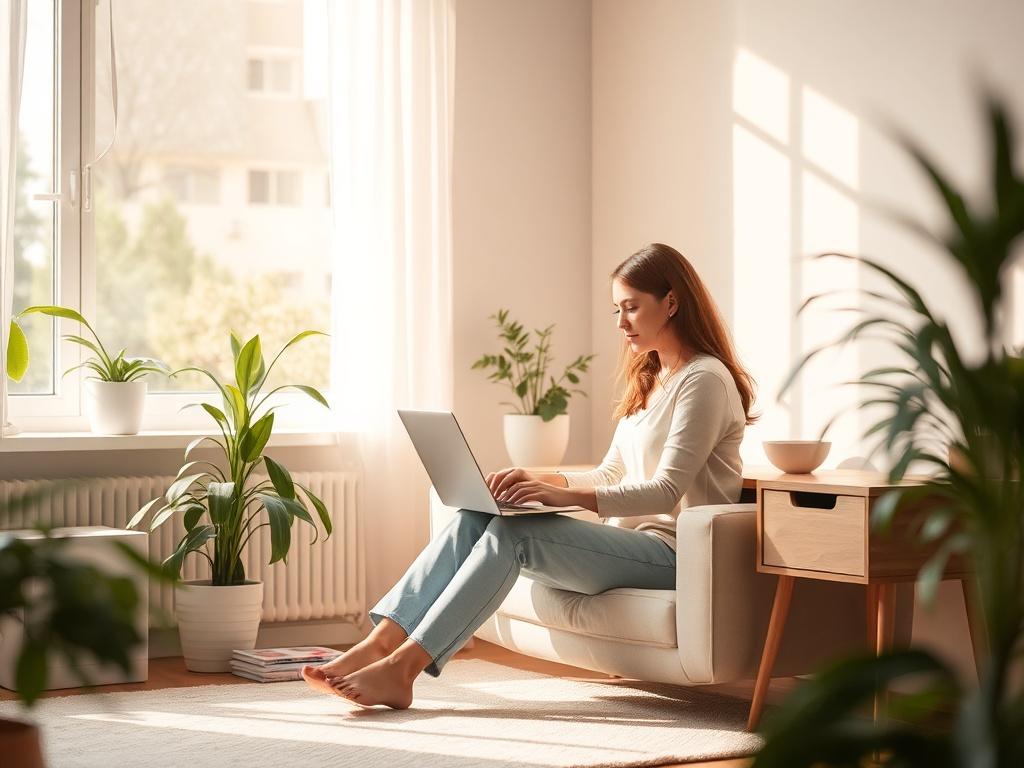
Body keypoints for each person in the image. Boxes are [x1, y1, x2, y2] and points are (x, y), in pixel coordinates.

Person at [302, 242, 757, 708]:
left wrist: (561, 498)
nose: (620, 324)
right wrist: (539, 480)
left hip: (673, 553)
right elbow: (610, 472)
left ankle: (403, 670)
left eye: (631, 308)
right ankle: (378, 645)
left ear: (672, 303)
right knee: (474, 518)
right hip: (632, 546)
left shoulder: (705, 380)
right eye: (616, 310)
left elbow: (664, 492)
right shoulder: (652, 377)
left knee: (513, 537)